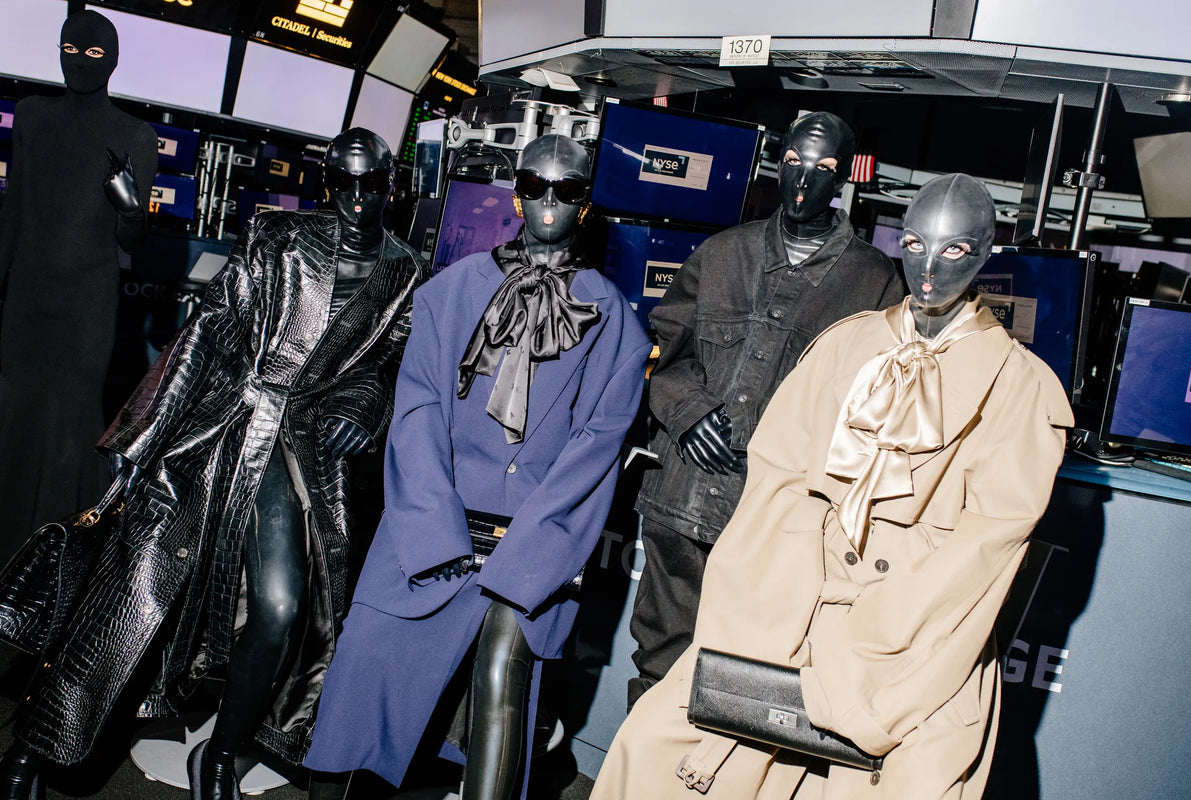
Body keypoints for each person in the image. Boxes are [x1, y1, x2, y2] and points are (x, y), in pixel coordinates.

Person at [592, 173, 1073, 799]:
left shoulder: (1022, 390)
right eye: (915, 242)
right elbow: (775, 491)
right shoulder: (844, 345)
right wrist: (760, 628)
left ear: (985, 253)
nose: (928, 268)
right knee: (654, 758)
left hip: (911, 656)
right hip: (781, 616)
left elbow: (979, 556)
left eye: (954, 249)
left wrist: (856, 661)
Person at [0, 127, 429, 800]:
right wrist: (143, 441)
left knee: (286, 611)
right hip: (213, 435)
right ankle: (32, 749)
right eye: (339, 184)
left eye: (368, 185)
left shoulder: (404, 268)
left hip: (297, 453)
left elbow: (386, 362)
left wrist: (365, 403)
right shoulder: (278, 238)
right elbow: (207, 331)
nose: (352, 199)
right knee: (126, 600)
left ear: (391, 187)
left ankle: (222, 752)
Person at [304, 134, 651, 800]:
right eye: (536, 184)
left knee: (503, 682)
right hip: (431, 528)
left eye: (569, 189)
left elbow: (593, 456)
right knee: (361, 680)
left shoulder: (615, 325)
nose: (550, 202)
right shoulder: (448, 293)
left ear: (588, 204)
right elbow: (417, 418)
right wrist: (437, 538)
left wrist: (525, 561)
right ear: (517, 192)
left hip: (533, 544)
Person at [628, 111, 905, 707]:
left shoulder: (875, 281)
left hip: (778, 524)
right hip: (682, 502)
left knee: (741, 685)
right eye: (794, 164)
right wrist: (687, 410)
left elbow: (876, 411)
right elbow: (658, 358)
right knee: (657, 667)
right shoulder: (722, 254)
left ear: (847, 177)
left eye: (824, 168)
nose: (804, 182)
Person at [0, 9, 158, 566]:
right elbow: (13, 211)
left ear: (112, 61)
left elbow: (132, 241)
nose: (82, 63)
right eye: (73, 50)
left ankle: (55, 558)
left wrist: (132, 211)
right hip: (24, 303)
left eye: (94, 54)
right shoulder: (32, 118)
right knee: (14, 416)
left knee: (69, 424)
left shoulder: (136, 135)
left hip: (87, 309)